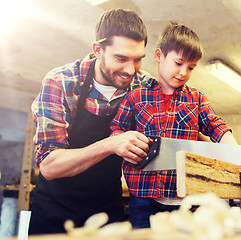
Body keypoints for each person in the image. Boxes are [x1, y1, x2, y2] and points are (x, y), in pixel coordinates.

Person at [110, 21, 241, 229]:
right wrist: (123, 145)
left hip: (185, 200)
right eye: (178, 63)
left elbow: (217, 128)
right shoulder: (136, 96)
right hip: (143, 198)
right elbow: (116, 129)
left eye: (191, 67)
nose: (183, 72)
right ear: (159, 56)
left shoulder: (196, 99)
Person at [29, 8, 152, 234]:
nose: (130, 70)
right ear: (98, 50)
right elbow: (49, 166)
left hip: (107, 207)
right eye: (121, 59)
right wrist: (111, 144)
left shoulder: (143, 87)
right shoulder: (61, 82)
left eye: (137, 60)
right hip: (55, 210)